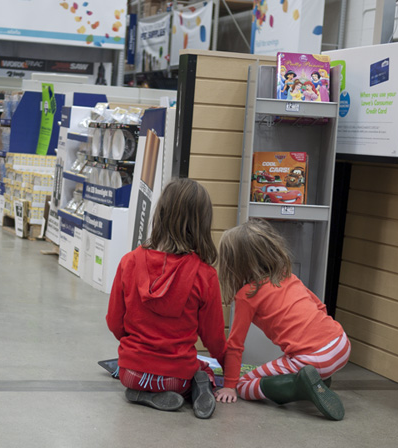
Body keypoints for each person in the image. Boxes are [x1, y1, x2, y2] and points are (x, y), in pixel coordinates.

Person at [106, 179, 226, 418]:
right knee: (201, 368)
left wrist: (137, 347)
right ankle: (200, 386)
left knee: (137, 379)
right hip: (176, 378)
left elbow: (114, 322)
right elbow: (213, 338)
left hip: (130, 372)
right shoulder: (205, 274)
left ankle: (140, 394)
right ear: (201, 223)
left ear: (160, 214)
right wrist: (229, 367)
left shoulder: (129, 261)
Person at [215, 219, 350, 420]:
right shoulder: (287, 275)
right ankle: (317, 381)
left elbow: (235, 345)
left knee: (244, 386)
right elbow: (320, 307)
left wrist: (229, 386)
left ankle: (300, 387)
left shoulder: (247, 295)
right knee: (296, 364)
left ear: (235, 264)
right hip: (341, 345)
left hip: (313, 359)